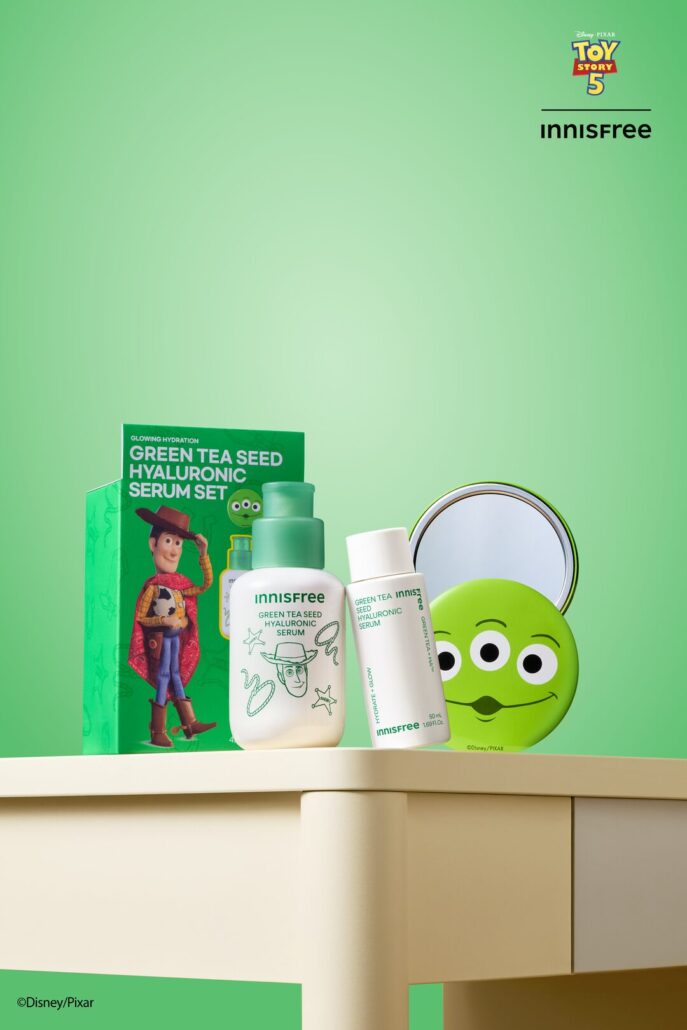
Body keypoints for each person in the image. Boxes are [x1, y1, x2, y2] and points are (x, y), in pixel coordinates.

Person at [128, 505, 217, 747]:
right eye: (168, 541)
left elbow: (205, 585)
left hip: (176, 638)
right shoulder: (153, 587)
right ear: (153, 544)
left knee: (176, 674)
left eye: (178, 543)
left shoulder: (181, 585)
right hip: (160, 640)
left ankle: (190, 723)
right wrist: (164, 620)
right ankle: (158, 731)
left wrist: (203, 554)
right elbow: (141, 618)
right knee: (164, 676)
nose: (174, 550)